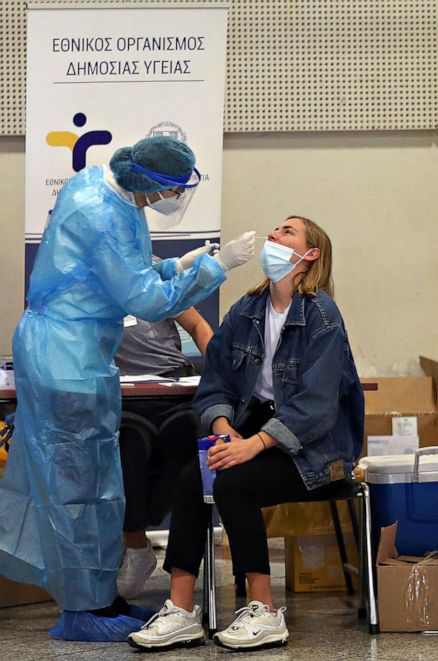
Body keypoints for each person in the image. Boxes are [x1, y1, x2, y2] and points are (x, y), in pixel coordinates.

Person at [0, 135, 256, 642]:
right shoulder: (100, 210)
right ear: (149, 180)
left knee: (99, 485)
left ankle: (102, 597)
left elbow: (126, 270)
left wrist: (177, 265)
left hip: (82, 352)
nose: (175, 198)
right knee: (73, 488)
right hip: (63, 358)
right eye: (173, 189)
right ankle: (82, 610)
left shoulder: (109, 188)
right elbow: (144, 298)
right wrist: (217, 267)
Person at [129, 216, 364, 652]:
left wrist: (251, 444)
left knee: (234, 484)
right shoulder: (248, 309)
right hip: (253, 433)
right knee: (192, 479)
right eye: (275, 229)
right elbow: (216, 379)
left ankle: (265, 608)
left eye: (287, 232)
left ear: (310, 255)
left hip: (317, 451)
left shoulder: (322, 315)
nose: (273, 235)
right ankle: (181, 609)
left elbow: (316, 406)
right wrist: (223, 431)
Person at [115, 286, 214, 600]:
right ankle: (135, 545)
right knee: (127, 449)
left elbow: (197, 325)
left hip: (174, 387)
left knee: (186, 444)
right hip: (123, 395)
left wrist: (219, 372)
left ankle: (177, 569)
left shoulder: (157, 273)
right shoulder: (90, 277)